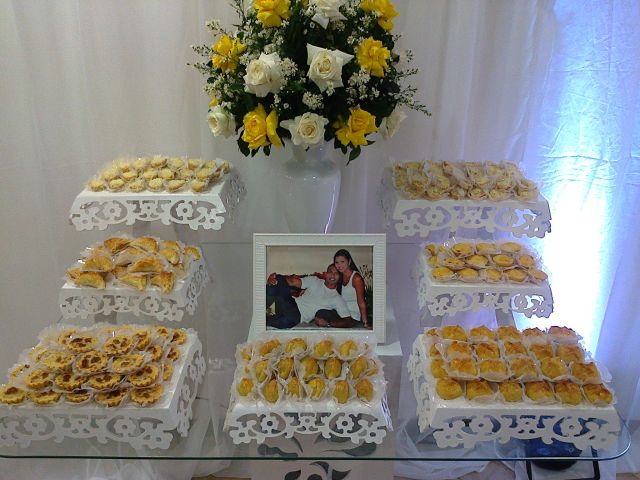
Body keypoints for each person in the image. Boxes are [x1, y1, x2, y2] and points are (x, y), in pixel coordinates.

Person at [266, 264, 355, 329]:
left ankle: (268, 315)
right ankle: (266, 311)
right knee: (277, 282)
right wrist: (274, 277)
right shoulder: (315, 281)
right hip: (291, 303)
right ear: (325, 274)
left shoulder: (337, 299)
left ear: (340, 276)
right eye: (330, 272)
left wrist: (328, 324)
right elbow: (292, 281)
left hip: (297, 316)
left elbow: (349, 321)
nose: (332, 275)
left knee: (274, 320)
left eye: (336, 273)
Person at [333, 249, 371, 329]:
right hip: (341, 313)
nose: (339, 265)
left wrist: (365, 323)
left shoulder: (356, 278)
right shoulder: (339, 277)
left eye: (342, 262)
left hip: (352, 316)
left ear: (349, 261)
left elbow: (361, 302)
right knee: (321, 313)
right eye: (337, 262)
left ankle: (329, 324)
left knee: (336, 321)